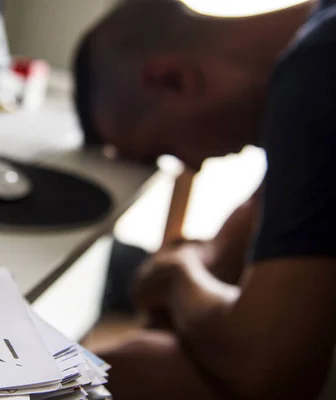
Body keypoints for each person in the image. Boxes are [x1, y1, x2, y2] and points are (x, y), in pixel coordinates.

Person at [73, 0, 336, 398]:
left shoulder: (318, 66)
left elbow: (270, 370)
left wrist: (180, 275)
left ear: (173, 79)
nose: (192, 163)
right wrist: (196, 264)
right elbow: (259, 217)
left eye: (168, 147)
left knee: (116, 374)